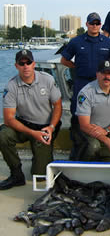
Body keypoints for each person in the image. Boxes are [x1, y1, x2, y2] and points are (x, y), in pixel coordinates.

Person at [0, 50, 62, 190]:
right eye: (22, 63)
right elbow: (9, 119)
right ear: (16, 66)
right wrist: (32, 133)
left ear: (33, 64)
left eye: (28, 62)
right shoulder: (11, 86)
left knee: (40, 177)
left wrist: (51, 127)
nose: (25, 66)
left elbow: (58, 105)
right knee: (3, 134)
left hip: (45, 127)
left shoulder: (47, 79)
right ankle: (16, 174)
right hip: (24, 125)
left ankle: (40, 156)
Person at [60, 12, 110, 160]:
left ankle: (101, 148)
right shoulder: (76, 41)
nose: (94, 26)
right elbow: (64, 60)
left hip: (101, 83)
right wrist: (76, 67)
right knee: (77, 113)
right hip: (82, 82)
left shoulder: (108, 43)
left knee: (103, 112)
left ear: (101, 25)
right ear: (86, 24)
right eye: (92, 23)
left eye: (97, 23)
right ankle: (78, 149)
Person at [75, 60, 110, 161]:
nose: (106, 76)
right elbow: (84, 125)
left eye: (109, 73)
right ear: (97, 74)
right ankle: (81, 166)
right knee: (93, 147)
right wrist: (106, 139)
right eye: (103, 73)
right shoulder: (86, 93)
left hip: (107, 132)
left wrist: (106, 131)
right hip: (88, 132)